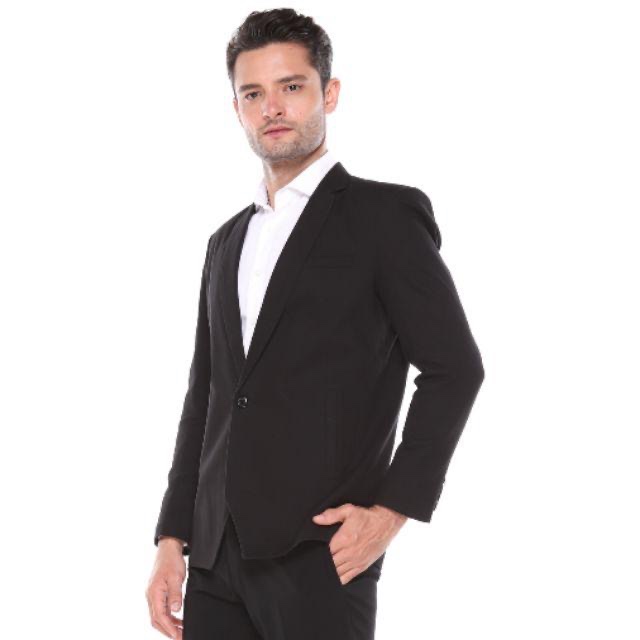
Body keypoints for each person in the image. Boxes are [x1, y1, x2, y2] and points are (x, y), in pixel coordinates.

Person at [146, 8, 484, 640]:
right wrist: (173, 537)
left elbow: (455, 368)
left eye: (292, 86)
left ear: (329, 93)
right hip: (215, 559)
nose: (272, 107)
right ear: (237, 108)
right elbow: (207, 396)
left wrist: (392, 511)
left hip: (321, 552)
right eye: (253, 93)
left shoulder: (384, 217)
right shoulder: (225, 242)